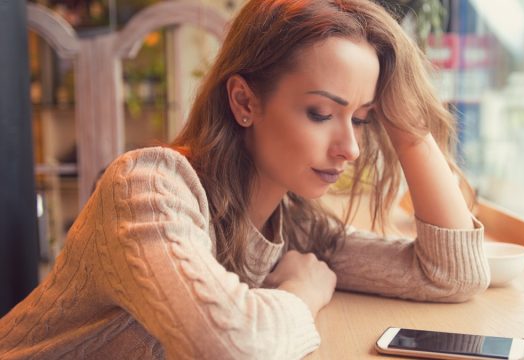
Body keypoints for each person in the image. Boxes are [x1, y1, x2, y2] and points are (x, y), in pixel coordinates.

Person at [0, 0, 489, 358]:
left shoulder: (292, 224)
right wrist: (302, 292)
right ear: (244, 102)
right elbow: (230, 346)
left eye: (361, 118)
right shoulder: (148, 187)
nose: (352, 147)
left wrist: (409, 128)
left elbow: (450, 275)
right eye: (321, 113)